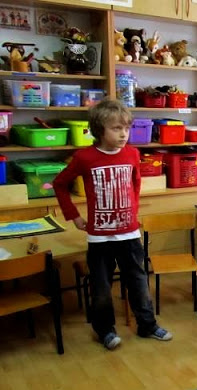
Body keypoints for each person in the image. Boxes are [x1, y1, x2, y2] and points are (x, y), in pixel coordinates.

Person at [53, 99, 172, 350]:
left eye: (126, 128)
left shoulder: (132, 153)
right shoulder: (84, 157)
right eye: (116, 128)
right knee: (101, 288)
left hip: (129, 234)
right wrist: (74, 215)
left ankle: (147, 325)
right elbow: (60, 184)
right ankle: (105, 330)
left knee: (138, 281)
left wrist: (132, 211)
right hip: (100, 238)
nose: (123, 134)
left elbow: (135, 183)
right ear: (99, 130)